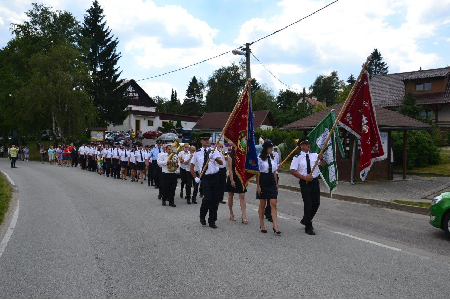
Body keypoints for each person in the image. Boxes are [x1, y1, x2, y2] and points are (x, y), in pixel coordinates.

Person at [290, 136, 326, 235]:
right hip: (304, 182)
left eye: (309, 144)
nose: (308, 145)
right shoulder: (297, 158)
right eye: (306, 144)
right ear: (301, 146)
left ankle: (306, 219)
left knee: (316, 203)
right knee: (308, 204)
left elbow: (323, 164)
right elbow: (293, 170)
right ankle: (308, 226)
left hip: (314, 181)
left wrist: (322, 159)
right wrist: (304, 177)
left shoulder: (315, 155)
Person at [190, 133, 223, 229]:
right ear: (201, 141)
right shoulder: (197, 153)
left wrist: (214, 158)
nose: (207, 141)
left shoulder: (214, 151)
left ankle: (212, 220)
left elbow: (221, 163)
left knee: (215, 200)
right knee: (208, 198)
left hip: (215, 177)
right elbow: (192, 166)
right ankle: (202, 215)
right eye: (204, 139)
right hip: (205, 178)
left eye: (208, 139)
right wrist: (195, 177)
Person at [256, 141, 280, 235]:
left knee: (273, 203)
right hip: (263, 180)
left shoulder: (273, 157)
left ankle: (275, 225)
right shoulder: (260, 158)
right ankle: (262, 224)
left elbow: (274, 171)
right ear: (266, 149)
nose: (272, 150)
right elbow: (257, 173)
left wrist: (276, 184)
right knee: (263, 204)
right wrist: (258, 186)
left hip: (271, 180)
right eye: (270, 148)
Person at [225, 145, 248, 223]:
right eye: (235, 147)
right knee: (231, 195)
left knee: (242, 195)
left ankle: (244, 215)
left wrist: (246, 180)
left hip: (240, 178)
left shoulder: (243, 157)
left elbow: (245, 169)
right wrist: (232, 180)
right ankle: (231, 213)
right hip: (233, 177)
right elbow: (230, 170)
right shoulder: (230, 158)